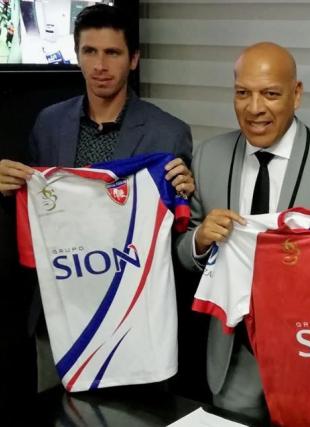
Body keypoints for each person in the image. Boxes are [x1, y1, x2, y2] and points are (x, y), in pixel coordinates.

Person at [175, 41, 310, 422]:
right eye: (243, 93)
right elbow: (183, 253)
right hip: (233, 356)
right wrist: (200, 240)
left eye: (270, 94)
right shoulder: (209, 157)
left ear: (296, 94)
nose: (255, 108)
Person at [0, 4, 194, 393]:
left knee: (130, 415)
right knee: (56, 413)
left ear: (133, 59)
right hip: (60, 313)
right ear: (76, 54)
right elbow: (38, 214)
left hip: (130, 319)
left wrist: (186, 192)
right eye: (89, 51)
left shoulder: (167, 133)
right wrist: (9, 188)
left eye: (112, 53)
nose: (100, 65)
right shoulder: (49, 123)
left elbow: (176, 236)